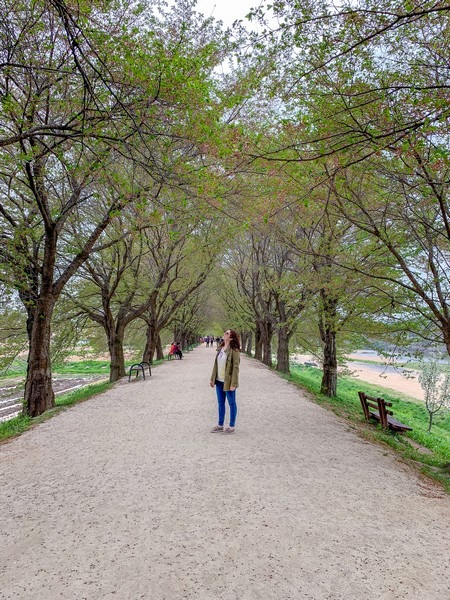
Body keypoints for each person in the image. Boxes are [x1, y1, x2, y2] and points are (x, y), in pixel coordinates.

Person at [209, 329, 240, 433]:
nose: (224, 334)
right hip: (219, 381)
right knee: (220, 403)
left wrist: (234, 383)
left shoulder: (234, 351)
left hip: (228, 381)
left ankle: (231, 426)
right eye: (225, 333)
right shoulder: (220, 349)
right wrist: (212, 379)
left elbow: (236, 368)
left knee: (232, 403)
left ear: (231, 337)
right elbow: (216, 365)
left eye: (227, 333)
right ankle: (220, 425)